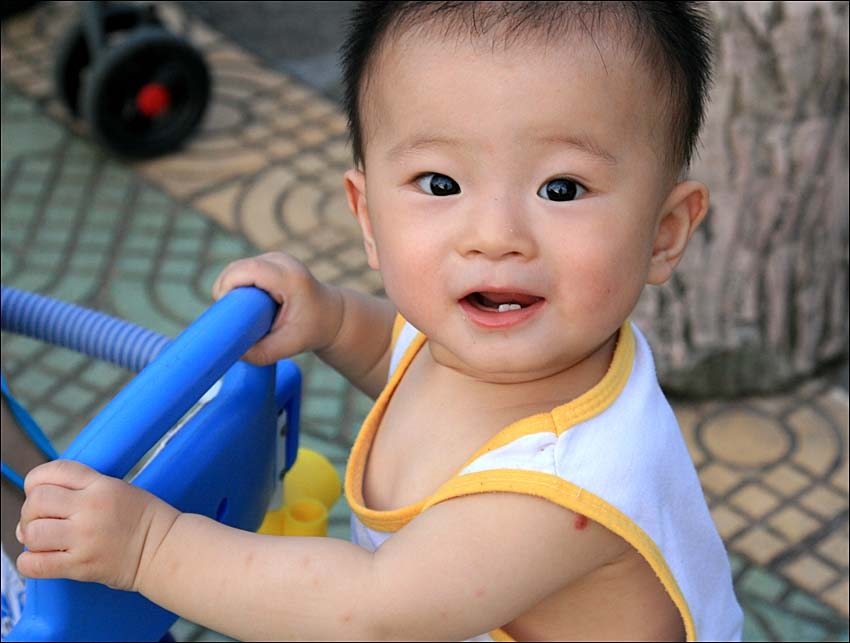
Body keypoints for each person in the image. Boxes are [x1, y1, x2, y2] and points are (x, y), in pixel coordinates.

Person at [14, 2, 743, 640]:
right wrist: (330, 319)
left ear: (664, 232)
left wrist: (150, 545)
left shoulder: (565, 487)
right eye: (440, 183)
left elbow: (367, 610)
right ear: (368, 217)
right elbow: (404, 356)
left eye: (562, 187)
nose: (495, 234)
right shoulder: (494, 346)